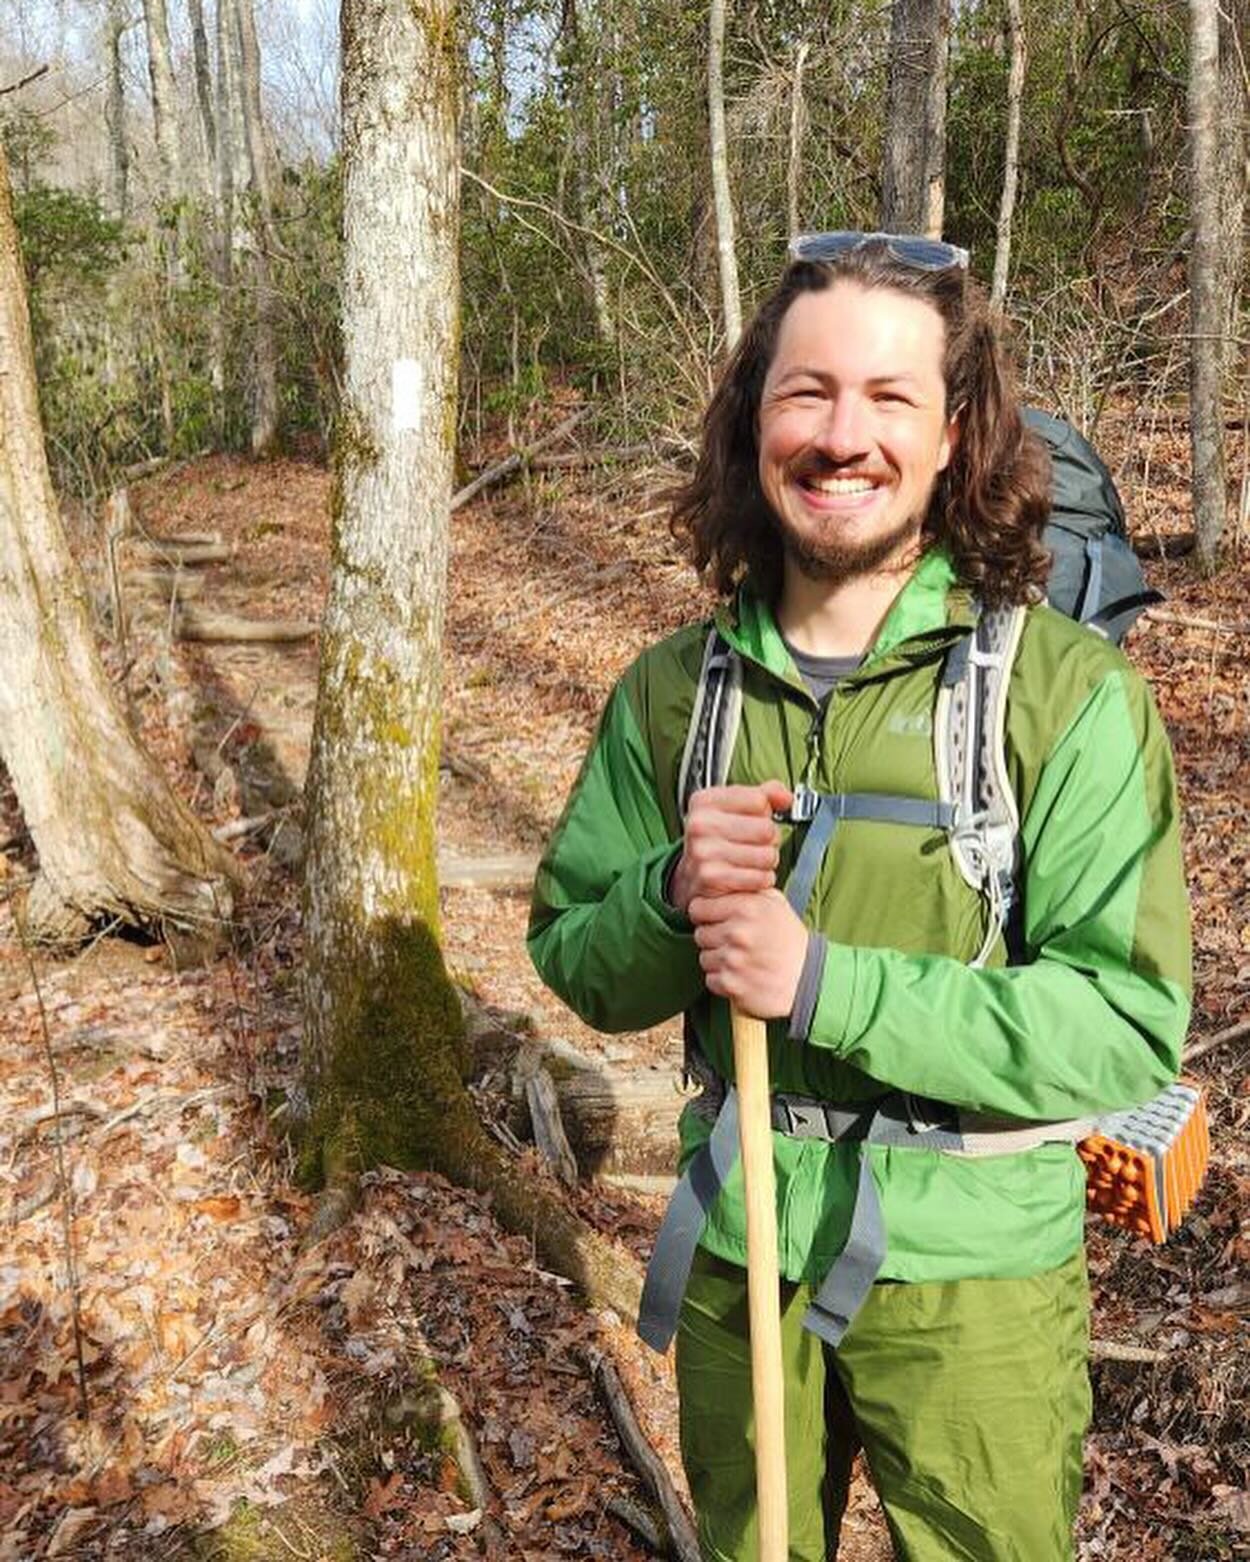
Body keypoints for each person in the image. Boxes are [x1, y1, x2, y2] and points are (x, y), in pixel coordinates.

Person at [527, 234, 1191, 1561]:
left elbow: (1121, 1024)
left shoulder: (1064, 693)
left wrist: (822, 980)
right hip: (740, 1251)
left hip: (978, 1272)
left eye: (889, 398)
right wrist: (674, 894)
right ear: (751, 422)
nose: (843, 435)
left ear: (954, 435)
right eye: (805, 392)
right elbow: (579, 957)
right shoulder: (672, 691)